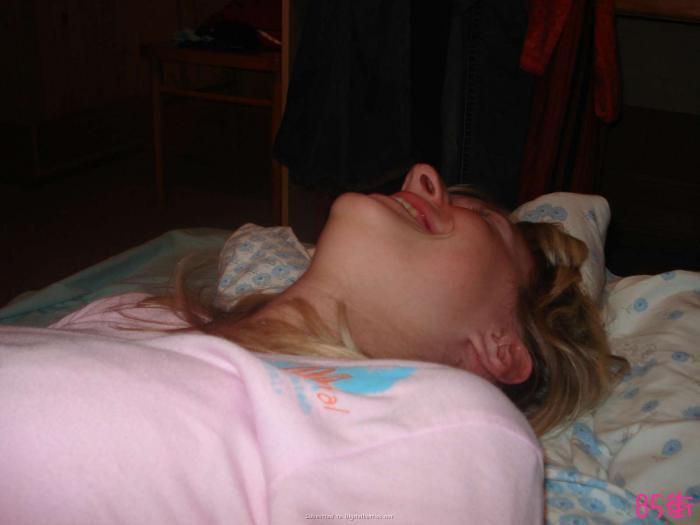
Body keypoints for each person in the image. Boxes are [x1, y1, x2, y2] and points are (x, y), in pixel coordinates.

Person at [0, 163, 625, 524]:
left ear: (499, 346)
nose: (422, 175)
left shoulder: (455, 428)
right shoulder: (131, 315)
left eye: (482, 221)